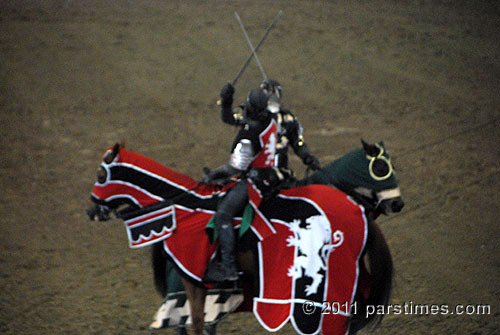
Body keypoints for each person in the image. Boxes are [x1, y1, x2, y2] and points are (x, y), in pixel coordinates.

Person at [202, 84, 278, 282]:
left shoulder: (248, 136)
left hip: (253, 184)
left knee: (223, 214)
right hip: (270, 175)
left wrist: (212, 175)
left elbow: (234, 169)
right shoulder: (270, 120)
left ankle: (228, 268)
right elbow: (230, 118)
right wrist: (226, 102)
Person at [221, 79, 320, 172]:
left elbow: (298, 143)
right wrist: (226, 103)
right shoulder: (250, 114)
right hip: (254, 171)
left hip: (279, 173)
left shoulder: (287, 118)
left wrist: (308, 157)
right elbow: (229, 118)